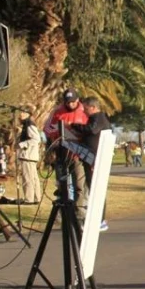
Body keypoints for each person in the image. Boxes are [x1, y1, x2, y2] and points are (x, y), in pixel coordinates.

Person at [44, 89, 91, 219]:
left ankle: (79, 211)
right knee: (62, 184)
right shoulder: (57, 112)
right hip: (62, 153)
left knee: (79, 184)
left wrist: (75, 130)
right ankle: (63, 212)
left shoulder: (84, 111)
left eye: (73, 102)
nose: (70, 105)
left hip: (78, 154)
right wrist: (59, 131)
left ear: (77, 100)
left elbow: (90, 129)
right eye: (67, 102)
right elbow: (47, 128)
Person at [79, 97, 112, 231]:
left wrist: (77, 126)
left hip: (96, 160)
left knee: (97, 189)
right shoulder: (94, 119)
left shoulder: (99, 118)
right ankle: (96, 218)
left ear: (93, 107)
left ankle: (100, 220)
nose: (84, 111)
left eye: (85, 109)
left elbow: (92, 130)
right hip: (90, 159)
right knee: (92, 188)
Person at [15, 107, 43, 205]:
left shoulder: (29, 124)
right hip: (29, 156)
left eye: (23, 112)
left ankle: (29, 199)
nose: (20, 114)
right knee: (33, 178)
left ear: (28, 114)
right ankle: (36, 197)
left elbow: (36, 139)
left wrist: (22, 144)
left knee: (28, 178)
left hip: (28, 156)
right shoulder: (26, 125)